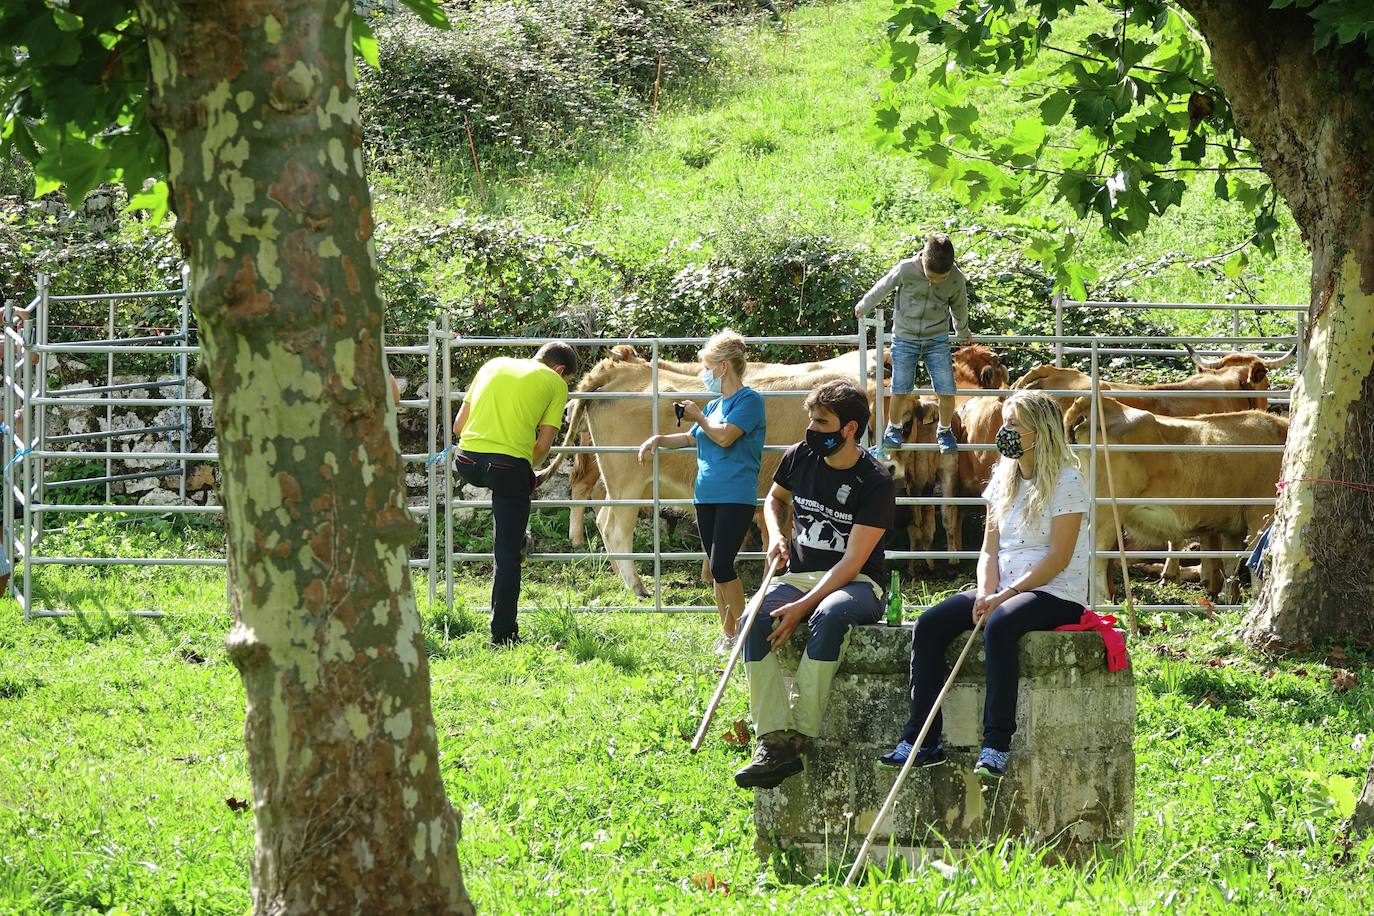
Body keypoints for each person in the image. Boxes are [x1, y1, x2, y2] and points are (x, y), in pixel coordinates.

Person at [879, 389, 1089, 779]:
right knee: (929, 625)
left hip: (1055, 591)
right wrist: (986, 591)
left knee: (1002, 624)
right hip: (1002, 588)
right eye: (1005, 424)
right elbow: (989, 550)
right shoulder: (1002, 480)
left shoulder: (1068, 482)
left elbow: (1058, 557)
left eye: (1012, 426)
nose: (1003, 432)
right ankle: (923, 740)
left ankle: (996, 744)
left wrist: (1003, 597)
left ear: (1039, 432)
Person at [734, 380, 895, 789]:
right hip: (797, 575)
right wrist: (775, 536)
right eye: (811, 419)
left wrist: (802, 606)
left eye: (822, 422)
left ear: (850, 428)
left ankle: (798, 735)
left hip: (857, 582)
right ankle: (771, 738)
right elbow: (775, 500)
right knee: (752, 619)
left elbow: (854, 560)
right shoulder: (799, 456)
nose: (812, 428)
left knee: (830, 613)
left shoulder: (875, 480)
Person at [637, 330, 765, 639]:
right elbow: (689, 436)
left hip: (735, 496)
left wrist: (698, 415)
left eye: (707, 367)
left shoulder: (750, 402)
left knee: (722, 566)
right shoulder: (713, 406)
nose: (703, 374)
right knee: (714, 571)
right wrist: (658, 440)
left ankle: (747, 631)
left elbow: (723, 436)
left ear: (723, 367)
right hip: (705, 495)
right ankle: (729, 633)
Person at [452, 342, 579, 646]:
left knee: (509, 490)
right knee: (507, 554)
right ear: (560, 370)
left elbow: (459, 426)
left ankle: (517, 532)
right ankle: (503, 634)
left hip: (467, 461)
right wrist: (527, 469)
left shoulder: (492, 364)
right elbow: (543, 446)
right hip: (507, 467)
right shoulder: (554, 383)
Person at [854, 232, 972, 454]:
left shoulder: (956, 279)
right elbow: (883, 286)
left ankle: (945, 430)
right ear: (923, 261)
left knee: (947, 389)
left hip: (936, 339)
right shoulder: (906, 269)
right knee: (900, 387)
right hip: (905, 337)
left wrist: (962, 331)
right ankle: (894, 427)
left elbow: (959, 307)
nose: (937, 281)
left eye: (942, 277)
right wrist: (865, 304)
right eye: (932, 276)